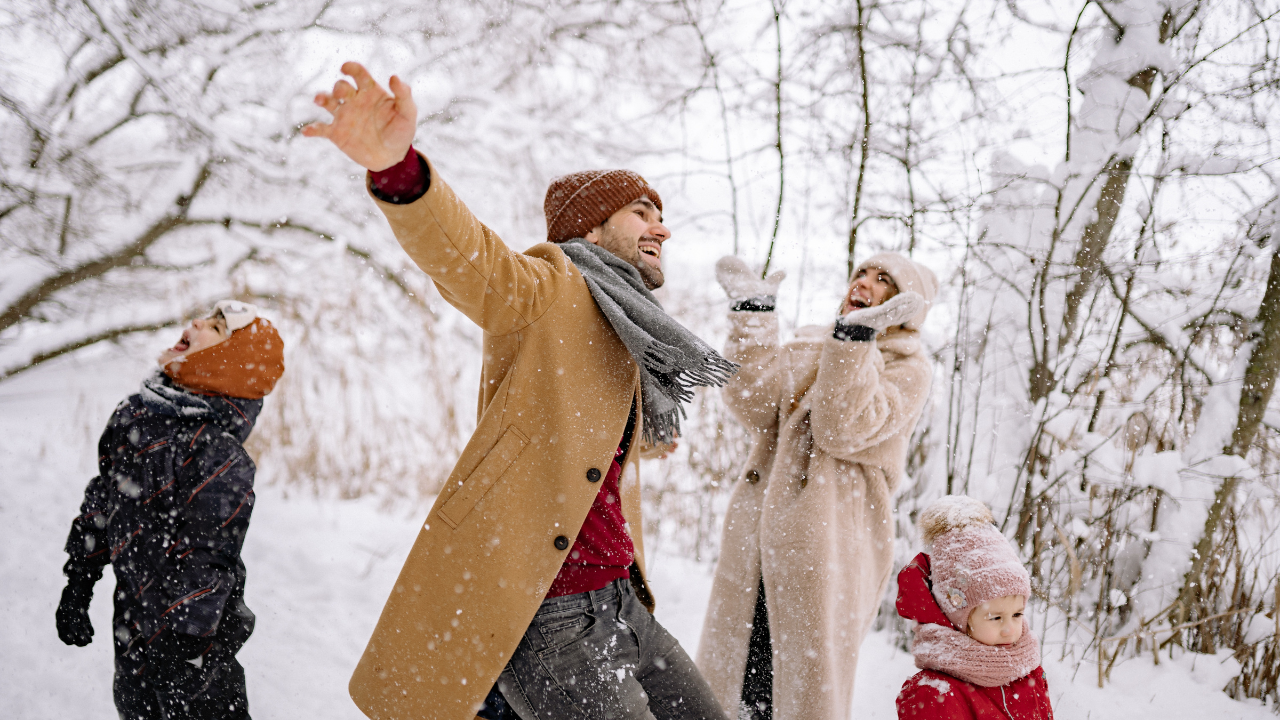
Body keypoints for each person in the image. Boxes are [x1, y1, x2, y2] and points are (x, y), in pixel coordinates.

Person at [302, 62, 732, 720]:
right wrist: (399, 172)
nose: (662, 227)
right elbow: (470, 260)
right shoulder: (549, 286)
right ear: (590, 230)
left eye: (662, 215)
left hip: (619, 597)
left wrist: (634, 445)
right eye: (642, 211)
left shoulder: (627, 327)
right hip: (551, 610)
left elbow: (570, 440)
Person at [696, 253, 937, 720]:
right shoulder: (814, 342)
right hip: (759, 537)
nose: (864, 283)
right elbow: (753, 402)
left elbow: (839, 427)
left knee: (801, 685)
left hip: (829, 546)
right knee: (738, 679)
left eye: (883, 279)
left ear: (907, 305)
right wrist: (755, 317)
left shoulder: (909, 369)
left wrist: (855, 340)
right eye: (861, 273)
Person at [55, 301, 285, 720]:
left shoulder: (217, 452)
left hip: (197, 642)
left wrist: (185, 644)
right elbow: (106, 497)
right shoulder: (135, 415)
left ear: (225, 361)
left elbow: (208, 556)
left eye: (215, 327)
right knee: (135, 709)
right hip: (132, 626)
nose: (195, 322)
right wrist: (80, 579)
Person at [894, 495, 1053, 719]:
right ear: (958, 618)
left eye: (1017, 614)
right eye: (996, 618)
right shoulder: (937, 693)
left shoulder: (1026, 671)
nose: (1009, 629)